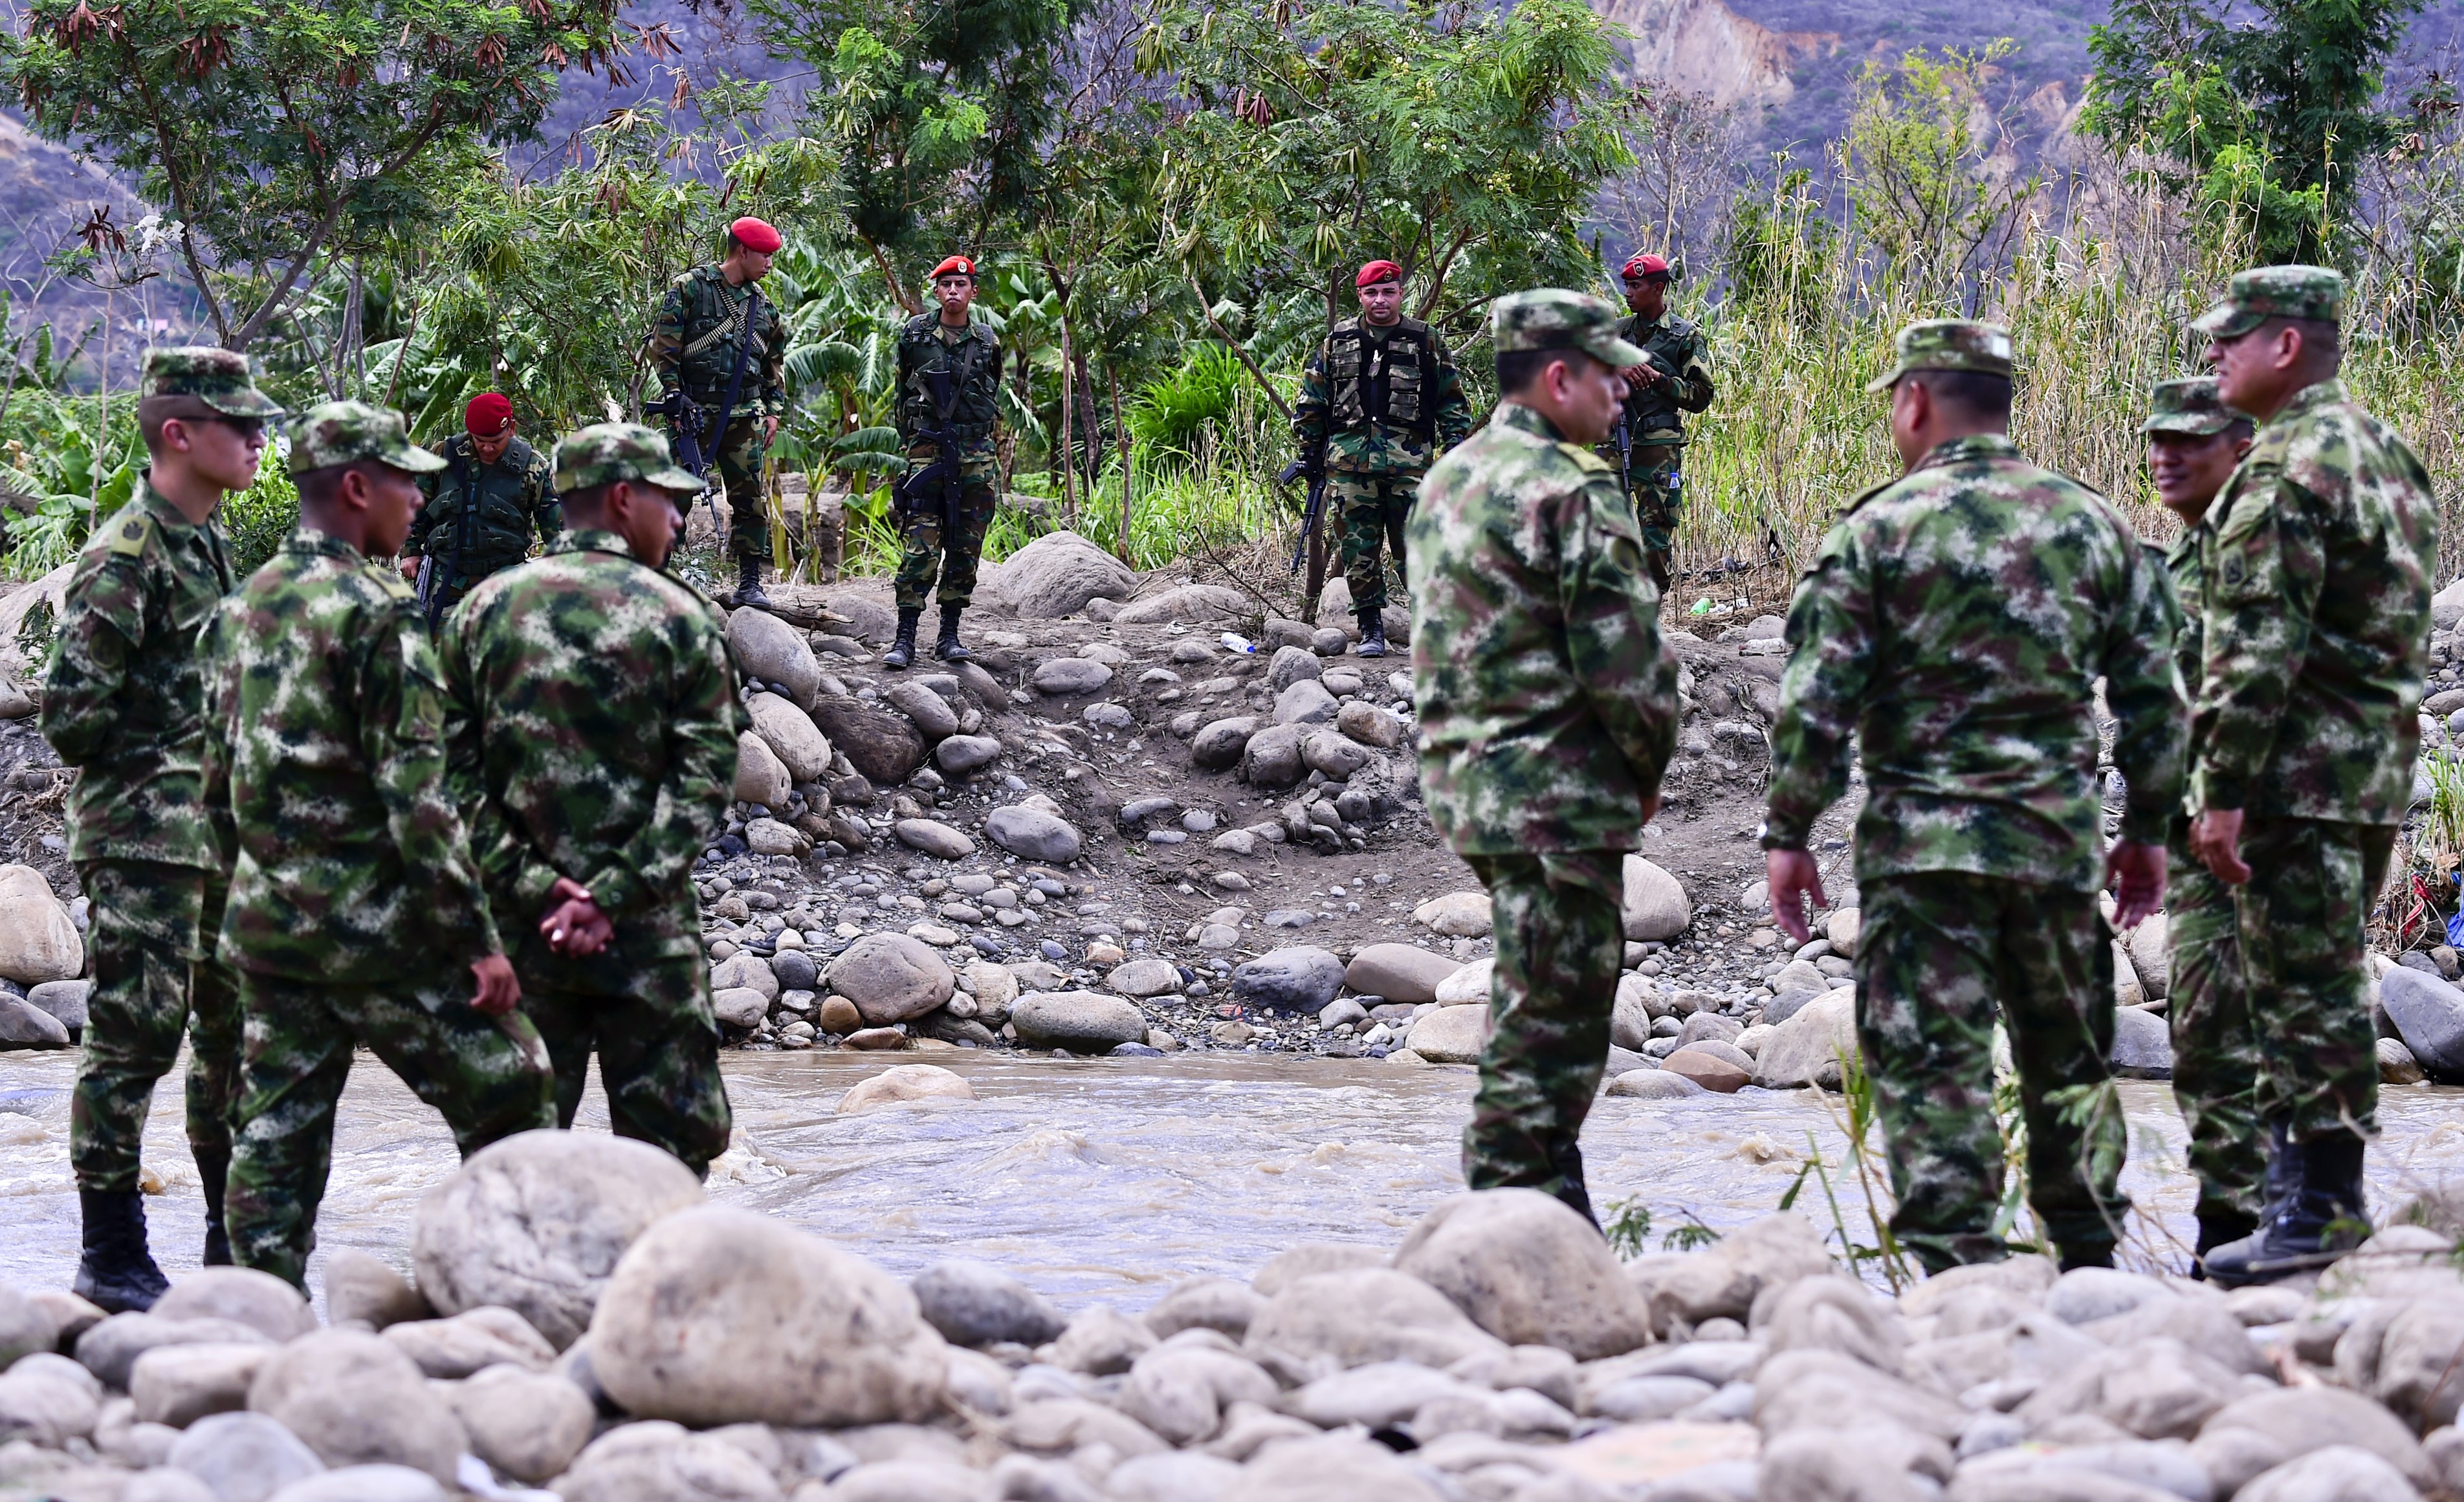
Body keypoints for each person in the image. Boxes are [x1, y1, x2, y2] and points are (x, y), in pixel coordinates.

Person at [1762, 320, 2184, 1274]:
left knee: (1933, 1067)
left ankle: (1958, 1277)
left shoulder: (1877, 530)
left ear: (1915, 402)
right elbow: (2158, 692)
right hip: (2053, 851)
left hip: (1924, 861)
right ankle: (2088, 1265)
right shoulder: (2088, 523)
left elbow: (1817, 698)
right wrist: (2149, 828)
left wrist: (1789, 828)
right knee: (2068, 1062)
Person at [199, 400, 556, 1288]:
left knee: (276, 1137)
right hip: (374, 927)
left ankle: (251, 1316)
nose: (418, 498)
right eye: (404, 482)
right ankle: (506, 1296)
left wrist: (228, 917)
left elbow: (213, 782)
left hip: (270, 927)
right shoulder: (379, 612)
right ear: (357, 488)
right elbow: (420, 798)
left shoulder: (243, 605)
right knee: (513, 1084)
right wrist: (477, 943)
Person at [2185, 268, 2437, 1286]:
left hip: (2297, 773)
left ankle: (2323, 1205)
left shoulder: (2286, 471)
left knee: (2301, 985)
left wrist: (2224, 788)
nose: (2213, 356)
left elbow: (2255, 647)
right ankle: (2300, 1198)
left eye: (2228, 339)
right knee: (2318, 971)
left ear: (2284, 347)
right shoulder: (2387, 454)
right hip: (2373, 768)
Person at [1407, 289, 1678, 1222]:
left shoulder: (1448, 478)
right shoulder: (1576, 485)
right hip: (1561, 791)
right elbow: (1628, 666)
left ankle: (1548, 1219)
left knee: (1533, 995)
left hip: (1472, 787)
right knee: (1559, 1024)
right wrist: (1642, 778)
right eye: (1606, 374)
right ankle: (1516, 1227)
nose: (1621, 391)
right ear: (1558, 378)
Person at [39, 348, 282, 1309]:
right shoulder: (127, 555)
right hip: (143, 835)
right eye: (241, 425)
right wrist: (167, 740)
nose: (260, 440)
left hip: (214, 834)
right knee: (137, 1035)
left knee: (228, 1035)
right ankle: (112, 1257)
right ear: (179, 433)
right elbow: (71, 716)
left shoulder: (207, 544)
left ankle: (228, 1245)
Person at [442, 424, 742, 1175]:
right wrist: (612, 894)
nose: (676, 520)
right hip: (646, 936)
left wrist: (538, 887)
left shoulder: (481, 611)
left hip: (522, 934)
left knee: (509, 1167)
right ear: (621, 498)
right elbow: (704, 778)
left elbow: (445, 778)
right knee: (668, 1173)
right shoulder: (682, 617)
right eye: (667, 502)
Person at [2140, 376, 2265, 1266]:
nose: (2166, 456)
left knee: (2281, 1015)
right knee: (2203, 1019)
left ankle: (2300, 1213)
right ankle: (2230, 1224)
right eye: (2157, 439)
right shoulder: (2185, 558)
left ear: (2242, 449)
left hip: (2270, 822)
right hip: (2195, 824)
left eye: (2190, 440)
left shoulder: (2260, 547)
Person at [1294, 259, 1473, 657]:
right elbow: (1312, 400)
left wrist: (1457, 447)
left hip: (1411, 465)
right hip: (1350, 466)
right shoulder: (1337, 341)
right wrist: (1309, 454)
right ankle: (1371, 630)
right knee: (1359, 551)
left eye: (1388, 292)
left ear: (1400, 295)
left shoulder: (1424, 339)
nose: (1380, 300)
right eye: (1371, 293)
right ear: (1360, 296)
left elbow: (1451, 399)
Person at [650, 215, 787, 609]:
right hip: (694, 413)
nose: (769, 264)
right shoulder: (690, 288)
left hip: (745, 414)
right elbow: (665, 348)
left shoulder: (764, 306)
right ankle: (663, 574)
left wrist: (774, 411)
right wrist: (675, 396)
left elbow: (774, 363)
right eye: (765, 255)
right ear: (742, 250)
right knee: (675, 493)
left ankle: (750, 583)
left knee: (750, 497)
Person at [885, 255, 1003, 668]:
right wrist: (912, 446)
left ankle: (950, 635)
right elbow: (901, 393)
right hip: (927, 451)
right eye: (946, 284)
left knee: (966, 545)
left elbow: (993, 394)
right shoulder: (916, 335)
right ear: (936, 291)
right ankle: (905, 638)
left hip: (975, 456)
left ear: (973, 291)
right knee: (921, 545)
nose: (954, 291)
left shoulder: (987, 340)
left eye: (961, 284)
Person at [1604, 253, 1714, 591]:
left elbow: (1701, 397)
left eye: (1636, 286)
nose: (1628, 293)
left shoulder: (1684, 337)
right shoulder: (1616, 333)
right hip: (1612, 443)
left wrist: (1658, 379)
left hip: (1657, 449)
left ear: (1659, 288)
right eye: (1626, 286)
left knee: (1655, 539)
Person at [399, 392, 560, 621]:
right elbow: (414, 507)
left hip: (507, 578)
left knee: (505, 651)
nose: (487, 448)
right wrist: (411, 552)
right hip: (447, 577)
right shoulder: (444, 455)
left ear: (511, 429)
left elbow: (555, 526)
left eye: (495, 441)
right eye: (480, 441)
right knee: (442, 652)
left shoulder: (532, 466)